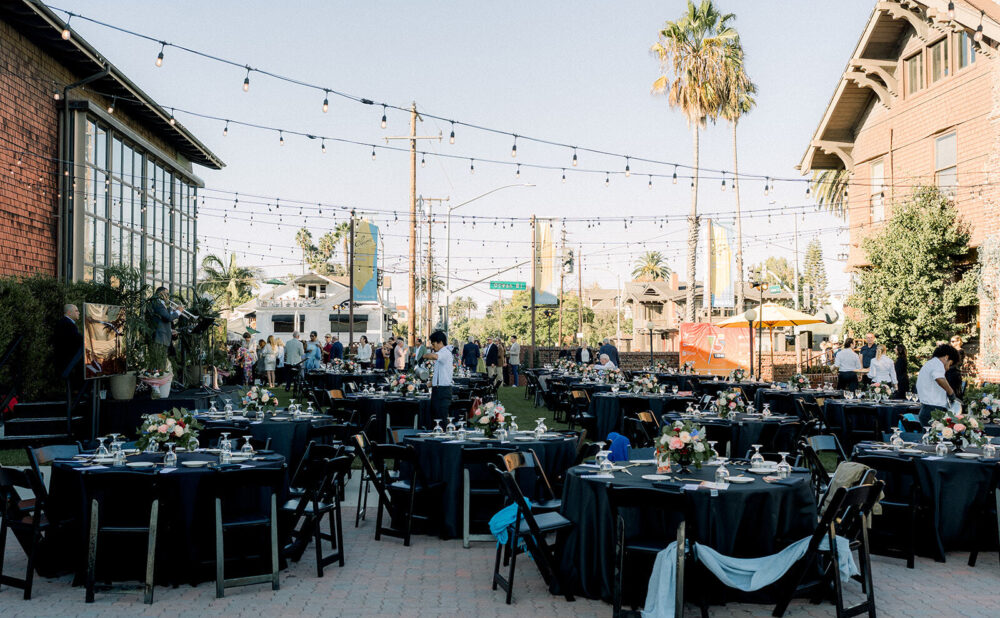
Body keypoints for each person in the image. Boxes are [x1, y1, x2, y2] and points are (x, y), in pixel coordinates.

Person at [916, 344, 959, 425]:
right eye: (950, 364)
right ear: (946, 357)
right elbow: (939, 379)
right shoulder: (937, 364)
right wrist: (951, 393)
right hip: (933, 410)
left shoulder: (930, 363)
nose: (948, 368)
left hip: (927, 408)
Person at [422, 331, 454, 422]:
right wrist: (427, 385)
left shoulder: (445, 353)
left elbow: (434, 356)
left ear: (440, 342)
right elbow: (439, 376)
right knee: (435, 418)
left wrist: (424, 356)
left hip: (443, 391)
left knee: (441, 419)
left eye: (433, 344)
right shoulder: (442, 353)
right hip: (437, 390)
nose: (433, 347)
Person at [55, 303, 83, 386]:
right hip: (68, 362)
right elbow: (77, 340)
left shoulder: (64, 323)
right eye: (76, 311)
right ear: (69, 313)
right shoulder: (68, 324)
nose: (79, 313)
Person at [150, 287, 182, 353]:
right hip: (160, 338)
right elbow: (168, 318)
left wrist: (170, 330)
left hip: (163, 338)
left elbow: (162, 320)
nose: (168, 295)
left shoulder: (160, 304)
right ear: (160, 293)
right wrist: (178, 312)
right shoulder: (157, 303)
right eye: (166, 293)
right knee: (160, 360)